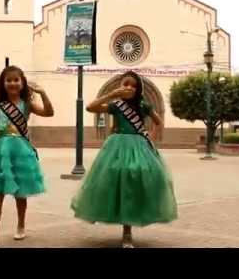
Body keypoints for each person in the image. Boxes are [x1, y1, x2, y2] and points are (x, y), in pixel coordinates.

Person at [71, 71, 178, 248]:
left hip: (139, 146)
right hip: (117, 147)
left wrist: (150, 136)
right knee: (115, 180)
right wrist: (112, 94)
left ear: (139, 89)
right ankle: (126, 230)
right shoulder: (116, 105)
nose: (129, 88)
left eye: (133, 85)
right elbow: (90, 107)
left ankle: (129, 228)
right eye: (125, 84)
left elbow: (158, 122)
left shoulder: (144, 105)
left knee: (145, 177)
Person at [0, 65, 54, 248]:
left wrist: (43, 93)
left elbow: (49, 112)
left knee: (21, 193)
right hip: (0, 151)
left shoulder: (26, 104)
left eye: (16, 80)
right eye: (8, 80)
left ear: (22, 83)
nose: (12, 83)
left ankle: (21, 224)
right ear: (3, 84)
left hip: (21, 149)